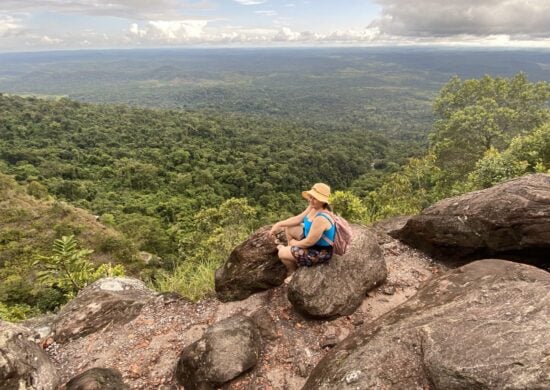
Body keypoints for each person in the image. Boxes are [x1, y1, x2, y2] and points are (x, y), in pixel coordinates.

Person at [270, 183, 336, 282]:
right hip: (310, 241)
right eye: (310, 197)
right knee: (289, 228)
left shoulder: (321, 218)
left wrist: (294, 243)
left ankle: (293, 272)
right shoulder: (313, 207)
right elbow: (298, 219)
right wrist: (279, 224)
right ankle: (293, 255)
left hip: (318, 251)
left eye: (314, 198)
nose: (310, 200)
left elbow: (309, 242)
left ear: (323, 201)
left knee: (282, 252)